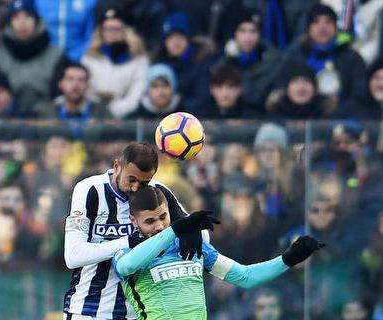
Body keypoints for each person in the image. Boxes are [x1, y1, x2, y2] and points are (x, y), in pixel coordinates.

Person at [112, 185, 323, 320]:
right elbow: (125, 266)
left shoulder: (192, 246)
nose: (158, 226)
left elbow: (245, 277)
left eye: (163, 217)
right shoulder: (127, 250)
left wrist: (288, 259)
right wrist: (176, 229)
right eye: (149, 221)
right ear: (133, 221)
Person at [63, 142, 203, 319]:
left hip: (138, 313)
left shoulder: (157, 191)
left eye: (144, 182)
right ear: (117, 167)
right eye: (132, 179)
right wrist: (128, 241)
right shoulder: (90, 190)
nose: (136, 187)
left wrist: (193, 230)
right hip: (88, 310)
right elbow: (73, 256)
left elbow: (199, 233)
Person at [0, 0, 65, 116]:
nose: (22, 23)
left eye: (27, 16)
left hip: (49, 118)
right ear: (9, 23)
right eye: (16, 18)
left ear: (36, 20)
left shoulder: (56, 55)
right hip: (8, 117)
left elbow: (60, 94)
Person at [81, 8, 149, 118]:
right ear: (101, 32)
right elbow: (86, 90)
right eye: (107, 29)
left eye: (116, 29)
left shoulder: (139, 59)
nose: (112, 33)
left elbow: (136, 95)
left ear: (126, 30)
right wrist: (98, 111)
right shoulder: (89, 57)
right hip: (93, 116)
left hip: (126, 118)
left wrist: (112, 112)